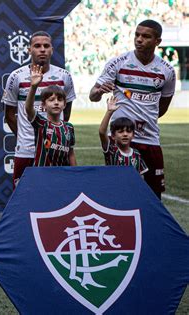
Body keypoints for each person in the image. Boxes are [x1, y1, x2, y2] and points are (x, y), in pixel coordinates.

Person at [89, 19, 175, 199]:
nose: (139, 39)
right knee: (118, 192)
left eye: (146, 36)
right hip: (122, 139)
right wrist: (99, 90)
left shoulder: (166, 70)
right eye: (137, 35)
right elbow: (93, 95)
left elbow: (163, 105)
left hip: (150, 138)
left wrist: (147, 119)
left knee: (154, 193)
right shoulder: (118, 63)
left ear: (157, 41)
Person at [4, 31, 76, 186]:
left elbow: (67, 111)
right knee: (23, 194)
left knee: (58, 192)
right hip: (26, 148)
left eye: (46, 46)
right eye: (37, 46)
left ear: (52, 50)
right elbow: (9, 114)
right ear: (29, 50)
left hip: (56, 148)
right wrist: (23, 135)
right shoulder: (16, 76)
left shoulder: (64, 76)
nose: (42, 49)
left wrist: (55, 134)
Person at [24, 65, 77, 167]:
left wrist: (75, 173)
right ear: (43, 105)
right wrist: (34, 86)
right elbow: (28, 109)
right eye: (51, 100)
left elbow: (70, 153)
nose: (56, 103)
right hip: (43, 174)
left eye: (60, 100)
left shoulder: (69, 127)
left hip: (63, 174)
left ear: (65, 104)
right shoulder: (41, 124)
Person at [99, 96, 148, 175]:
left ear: (133, 135)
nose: (125, 134)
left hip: (131, 187)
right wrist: (109, 112)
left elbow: (141, 178)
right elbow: (102, 132)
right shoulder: (112, 150)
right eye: (121, 132)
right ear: (113, 136)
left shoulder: (137, 154)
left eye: (128, 131)